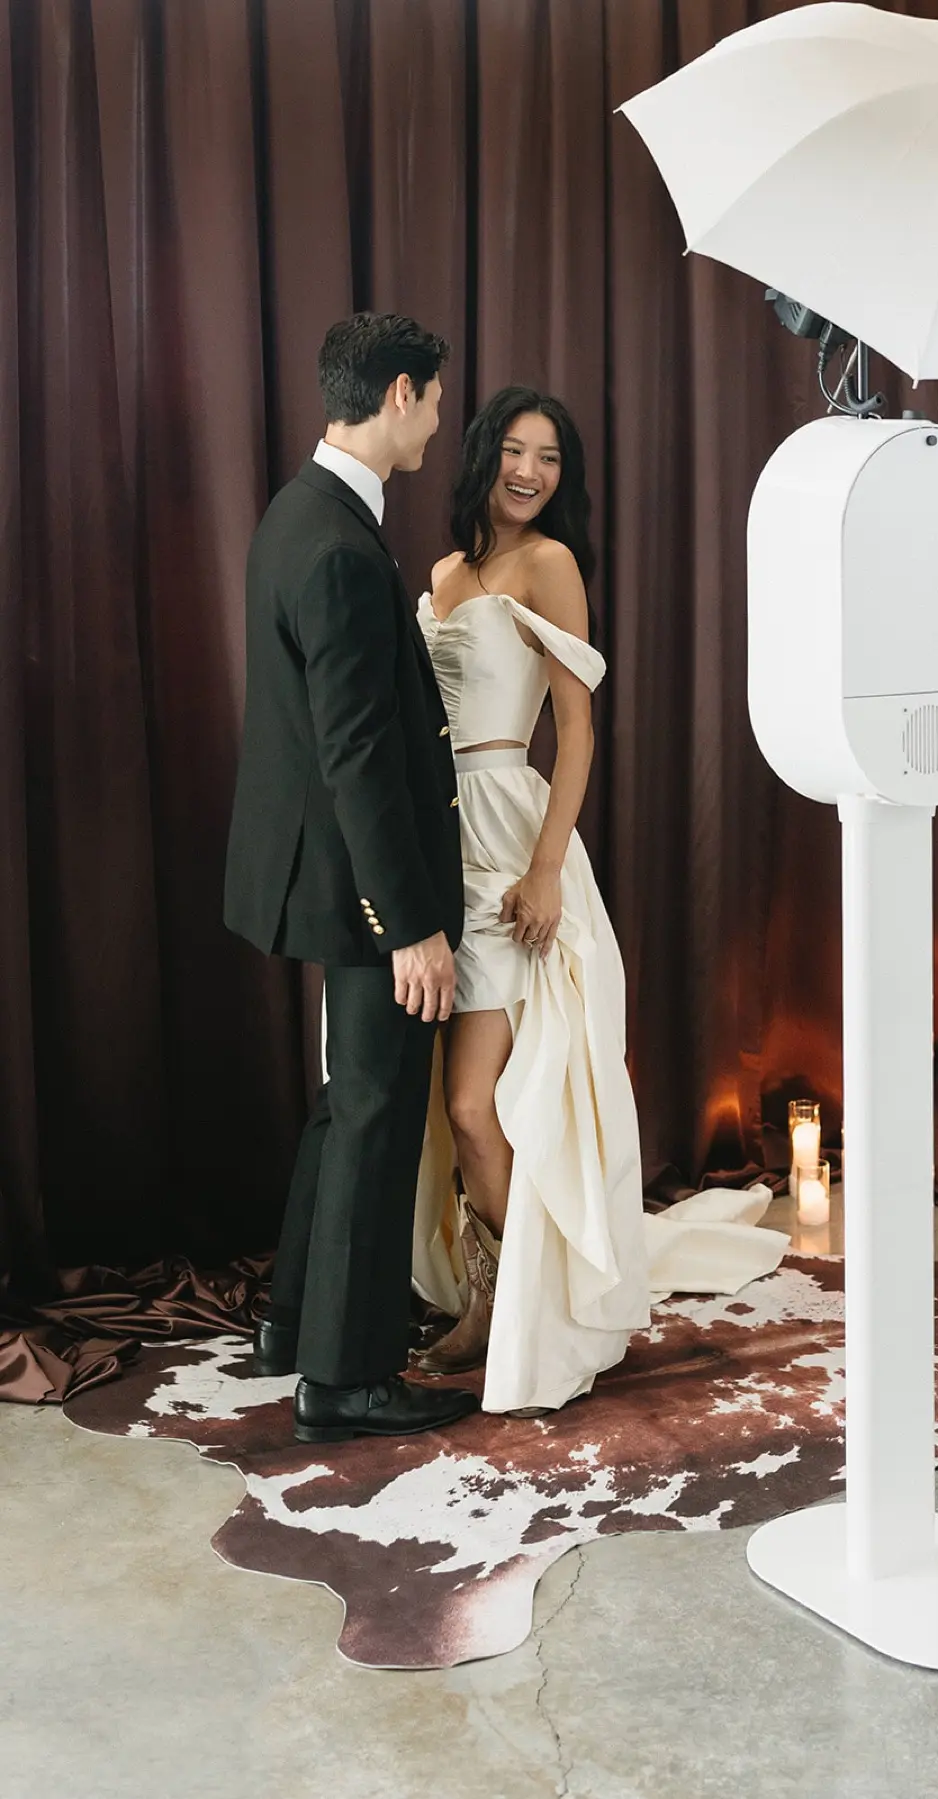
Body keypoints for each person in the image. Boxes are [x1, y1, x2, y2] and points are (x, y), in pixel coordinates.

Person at [408, 387, 786, 1415]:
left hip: (511, 837)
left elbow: (574, 731)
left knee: (479, 1103)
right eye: (516, 451)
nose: (531, 472)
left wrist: (543, 867)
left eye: (552, 459)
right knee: (452, 1112)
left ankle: (529, 1307)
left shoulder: (550, 565)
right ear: (484, 453)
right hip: (437, 841)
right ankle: (492, 1295)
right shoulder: (446, 573)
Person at [224, 313, 478, 1445]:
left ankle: (295, 1325)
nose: (438, 421)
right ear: (401, 394)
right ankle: (347, 1377)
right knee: (375, 1115)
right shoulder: (333, 543)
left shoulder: (300, 511)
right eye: (432, 400)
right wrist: (409, 923)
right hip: (359, 885)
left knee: (345, 1107)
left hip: (318, 874)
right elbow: (357, 751)